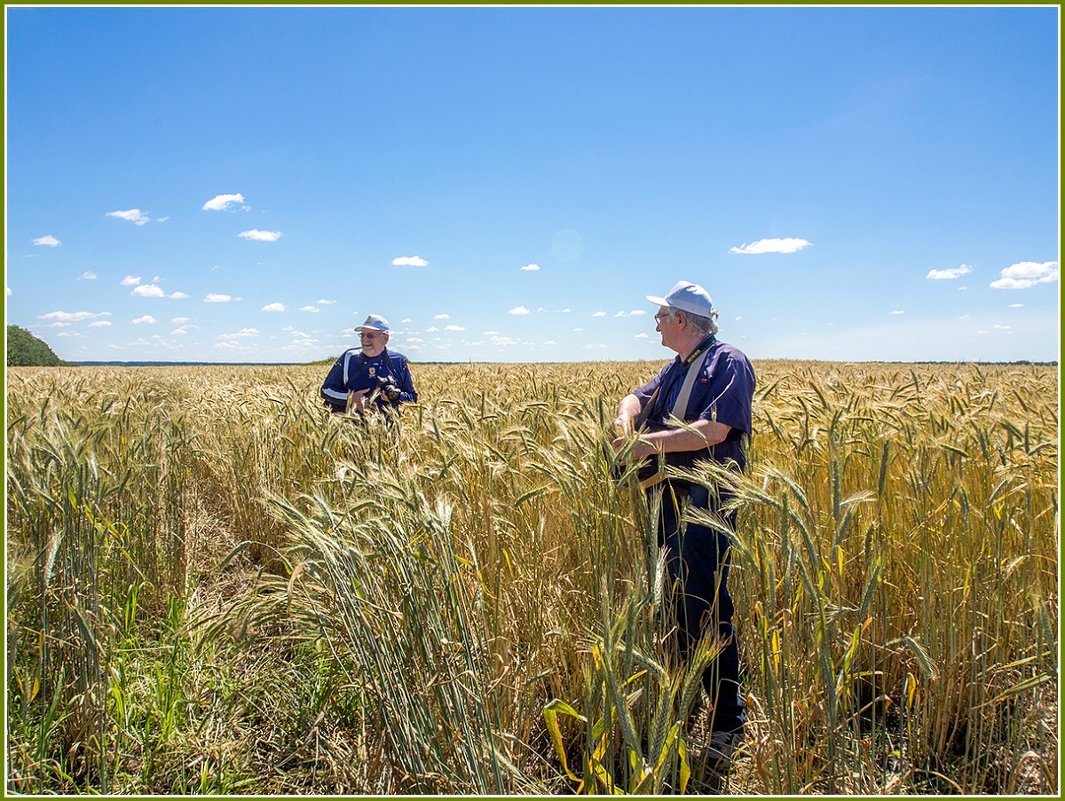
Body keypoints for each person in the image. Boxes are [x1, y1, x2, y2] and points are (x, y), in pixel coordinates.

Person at [611, 280, 755, 768]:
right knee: (673, 600)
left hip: (707, 500)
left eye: (661, 315)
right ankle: (688, 692)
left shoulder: (727, 362)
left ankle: (726, 721)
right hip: (667, 499)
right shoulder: (676, 367)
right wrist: (626, 424)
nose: (655, 323)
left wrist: (649, 446)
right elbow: (634, 398)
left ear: (682, 321)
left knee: (706, 604)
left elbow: (716, 430)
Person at [320, 314, 417, 414]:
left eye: (370, 335)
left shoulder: (399, 361)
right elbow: (326, 390)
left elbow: (412, 398)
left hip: (386, 427)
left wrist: (396, 396)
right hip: (350, 426)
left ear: (385, 338)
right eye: (362, 335)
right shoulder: (349, 357)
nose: (365, 339)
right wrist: (350, 398)